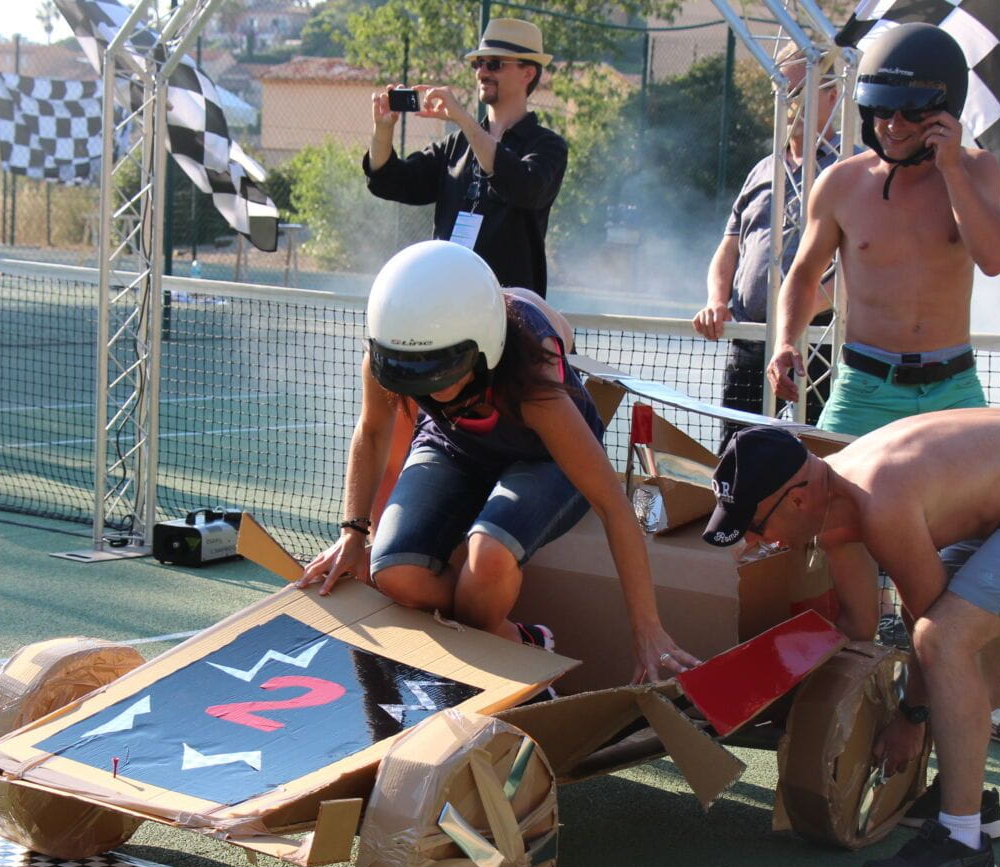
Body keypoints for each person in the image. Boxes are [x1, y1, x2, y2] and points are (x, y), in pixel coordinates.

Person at [764, 24, 1000, 756]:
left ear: (941, 113)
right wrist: (786, 340)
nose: (890, 126)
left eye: (907, 114)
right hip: (863, 388)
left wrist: (953, 164)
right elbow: (802, 276)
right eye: (881, 112)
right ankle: (860, 670)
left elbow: (992, 258)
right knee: (838, 533)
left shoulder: (977, 170)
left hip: (954, 392)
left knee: (975, 554)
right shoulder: (842, 183)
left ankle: (998, 699)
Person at [702, 412, 1000, 867]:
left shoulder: (878, 502)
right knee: (953, 630)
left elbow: (928, 630)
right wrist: (755, 679)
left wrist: (909, 719)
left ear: (798, 498)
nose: (755, 542)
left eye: (755, 526)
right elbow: (857, 626)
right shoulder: (831, 502)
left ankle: (963, 845)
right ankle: (970, 802)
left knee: (945, 638)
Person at [298, 240, 696, 683]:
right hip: (454, 446)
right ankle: (518, 640)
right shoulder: (389, 351)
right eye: (411, 372)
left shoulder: (535, 380)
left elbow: (612, 506)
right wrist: (353, 534)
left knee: (486, 558)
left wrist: (649, 632)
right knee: (394, 573)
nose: (428, 388)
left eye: (441, 372)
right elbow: (373, 431)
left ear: (483, 345)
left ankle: (491, 636)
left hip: (541, 456)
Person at [364, 18, 566, 296]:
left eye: (494, 63)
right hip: (447, 300)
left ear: (527, 73)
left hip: (509, 310)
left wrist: (462, 118)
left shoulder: (548, 146)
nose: (482, 72)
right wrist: (383, 129)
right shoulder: (455, 145)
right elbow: (389, 180)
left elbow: (524, 188)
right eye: (478, 64)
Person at [692, 53, 837, 419]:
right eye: (783, 91)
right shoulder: (762, 169)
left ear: (833, 96)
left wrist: (798, 314)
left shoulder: (850, 168)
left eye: (802, 91)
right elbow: (729, 245)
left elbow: (863, 265)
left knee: (819, 459)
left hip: (820, 344)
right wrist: (716, 300)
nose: (791, 102)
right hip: (751, 340)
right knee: (740, 456)